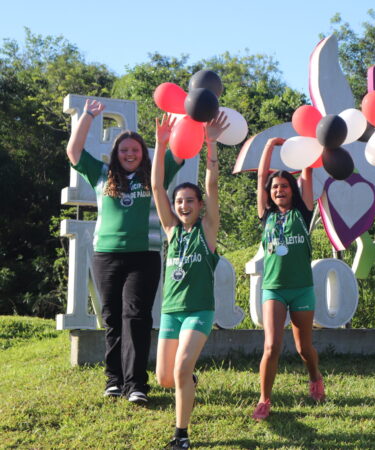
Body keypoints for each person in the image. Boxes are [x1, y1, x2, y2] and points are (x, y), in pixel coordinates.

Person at [66, 99, 184, 403]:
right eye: (124, 150)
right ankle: (114, 380)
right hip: (106, 255)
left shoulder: (154, 176)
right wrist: (88, 117)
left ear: (143, 154)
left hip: (144, 255)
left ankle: (137, 385)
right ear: (116, 155)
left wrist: (168, 138)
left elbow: (182, 152)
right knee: (112, 317)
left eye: (135, 150)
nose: (130, 154)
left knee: (137, 317)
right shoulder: (102, 174)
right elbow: (74, 152)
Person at [152, 112, 227, 449]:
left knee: (181, 369)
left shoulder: (206, 232)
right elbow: (156, 187)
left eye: (189, 201)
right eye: (179, 201)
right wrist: (160, 144)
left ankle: (181, 436)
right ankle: (188, 382)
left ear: (199, 206)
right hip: (171, 311)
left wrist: (210, 142)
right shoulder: (172, 232)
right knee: (165, 378)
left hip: (198, 311)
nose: (183, 205)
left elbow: (211, 182)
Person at [251, 137, 324, 421]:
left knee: (304, 348)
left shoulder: (302, 212)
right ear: (269, 193)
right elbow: (260, 178)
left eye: (284, 186)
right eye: (275, 187)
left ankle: (315, 377)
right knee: (271, 346)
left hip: (302, 290)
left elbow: (307, 171)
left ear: (292, 191)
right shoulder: (265, 214)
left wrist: (302, 143)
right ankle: (264, 399)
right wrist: (270, 146)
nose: (279, 190)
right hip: (274, 290)